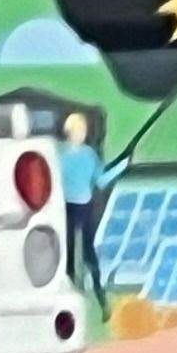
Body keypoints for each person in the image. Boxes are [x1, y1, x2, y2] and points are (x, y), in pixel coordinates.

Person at [58, 110, 109, 303]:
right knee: (87, 252)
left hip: (67, 207)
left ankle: (73, 293)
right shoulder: (89, 155)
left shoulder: (59, 153)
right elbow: (101, 181)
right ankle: (101, 297)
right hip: (83, 206)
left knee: (69, 251)